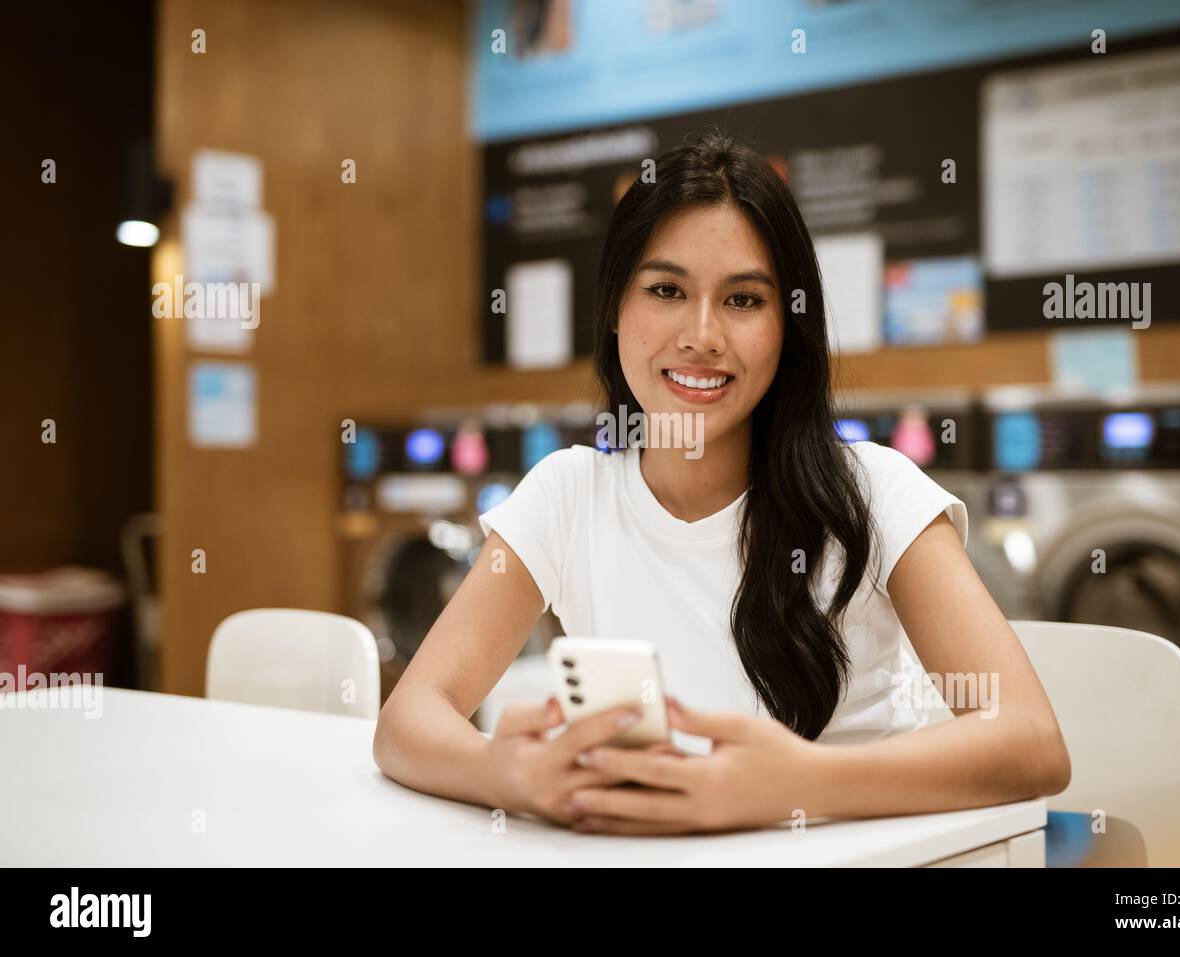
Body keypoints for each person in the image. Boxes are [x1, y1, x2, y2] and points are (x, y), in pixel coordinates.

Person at [373, 128, 1070, 834]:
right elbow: (408, 718)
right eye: (667, 289)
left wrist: (794, 784)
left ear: (788, 325)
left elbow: (1031, 739)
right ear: (616, 309)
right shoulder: (567, 495)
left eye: (743, 300)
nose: (702, 335)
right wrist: (514, 772)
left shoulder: (875, 492)